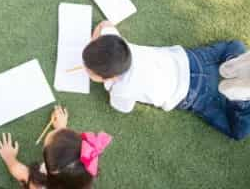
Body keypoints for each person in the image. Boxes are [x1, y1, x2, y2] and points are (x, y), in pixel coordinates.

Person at [82, 20, 250, 140]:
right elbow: (105, 24)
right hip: (191, 61)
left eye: (90, 72)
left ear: (111, 77)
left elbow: (123, 108)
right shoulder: (119, 43)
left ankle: (241, 101)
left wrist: (109, 86)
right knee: (234, 46)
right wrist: (95, 43)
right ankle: (236, 65)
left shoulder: (120, 89)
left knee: (238, 132)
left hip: (194, 94)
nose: (85, 69)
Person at [0, 105, 112, 188]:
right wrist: (61, 128)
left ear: (51, 170)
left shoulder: (39, 185)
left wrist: (10, 158)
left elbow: (20, 172)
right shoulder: (83, 172)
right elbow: (68, 148)